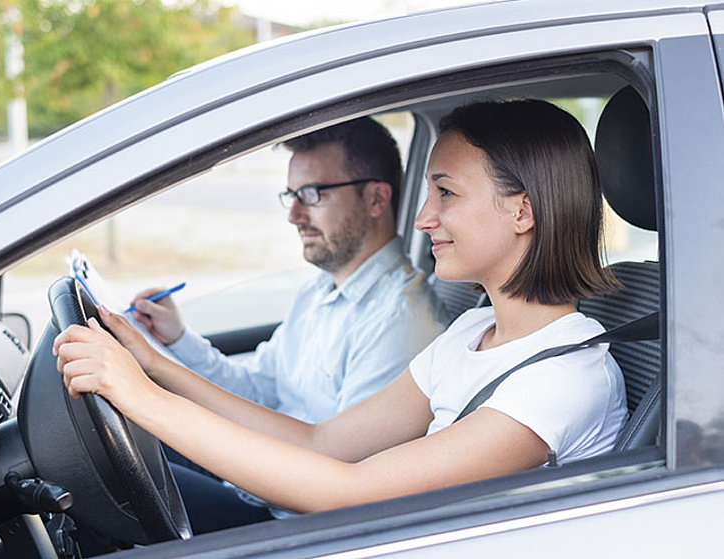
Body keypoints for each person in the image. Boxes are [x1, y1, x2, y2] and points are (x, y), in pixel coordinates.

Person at [54, 99, 628, 534]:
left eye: (446, 193)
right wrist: (152, 364)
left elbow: (351, 491)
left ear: (522, 210)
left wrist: (141, 397)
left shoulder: (563, 380)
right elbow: (324, 443)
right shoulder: (474, 332)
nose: (423, 217)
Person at [128, 117, 447, 424]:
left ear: (376, 199)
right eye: (292, 195)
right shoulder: (318, 291)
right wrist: (178, 338)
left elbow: (337, 464)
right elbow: (256, 390)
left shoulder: (400, 324)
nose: (294, 215)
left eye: (311, 195)